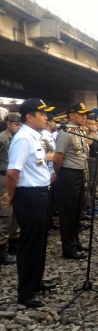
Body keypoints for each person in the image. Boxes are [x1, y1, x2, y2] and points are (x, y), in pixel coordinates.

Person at [2, 98, 55, 308]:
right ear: (29, 117)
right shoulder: (24, 138)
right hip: (29, 196)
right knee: (30, 243)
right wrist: (10, 195)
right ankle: (25, 292)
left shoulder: (36, 136)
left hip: (40, 194)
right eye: (41, 114)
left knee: (40, 242)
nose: (46, 118)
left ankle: (36, 282)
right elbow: (13, 172)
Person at [53, 102, 91, 260]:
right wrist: (60, 175)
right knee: (68, 214)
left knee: (77, 212)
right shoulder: (66, 134)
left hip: (78, 174)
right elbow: (57, 159)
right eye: (81, 114)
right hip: (68, 175)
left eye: (85, 114)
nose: (84, 117)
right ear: (71, 115)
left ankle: (75, 242)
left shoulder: (79, 131)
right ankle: (68, 249)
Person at [0, 113, 21, 265]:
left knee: (15, 213)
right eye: (16, 124)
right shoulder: (2, 139)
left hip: (15, 177)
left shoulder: (17, 138)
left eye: (21, 124)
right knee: (5, 214)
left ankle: (14, 243)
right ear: (8, 123)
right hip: (3, 177)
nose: (19, 127)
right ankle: (2, 248)